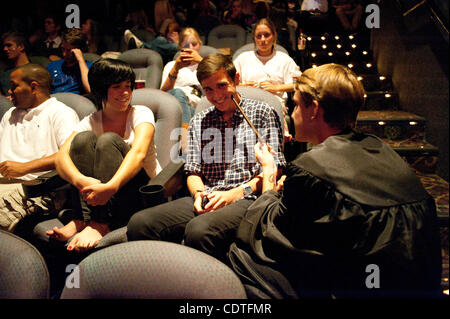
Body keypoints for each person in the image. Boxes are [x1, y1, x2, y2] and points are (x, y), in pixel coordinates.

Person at [228, 63, 442, 298]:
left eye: (297, 104)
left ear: (314, 110)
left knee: (241, 254)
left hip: (361, 287)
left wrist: (268, 172)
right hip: (421, 283)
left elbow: (273, 230)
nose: (292, 113)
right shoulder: (381, 148)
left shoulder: (309, 169)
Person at [127, 53, 286, 261]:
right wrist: (199, 195)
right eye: (208, 89)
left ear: (236, 80)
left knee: (199, 230)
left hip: (247, 197)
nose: (216, 95)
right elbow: (192, 171)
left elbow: (275, 169)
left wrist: (235, 194)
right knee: (140, 223)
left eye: (221, 86)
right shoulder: (200, 120)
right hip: (209, 195)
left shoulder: (263, 112)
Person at [45, 58, 160, 252]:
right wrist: (80, 180)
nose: (125, 93)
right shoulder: (90, 120)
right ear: (101, 89)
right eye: (117, 87)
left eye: (128, 86)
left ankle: (99, 223)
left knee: (107, 140)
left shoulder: (141, 113)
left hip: (138, 190)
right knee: (82, 140)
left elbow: (138, 154)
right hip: (98, 194)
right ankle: (82, 219)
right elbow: (61, 157)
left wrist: (111, 186)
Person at [0, 64, 79, 232]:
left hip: (37, 188)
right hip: (4, 182)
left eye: (14, 86)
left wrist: (25, 167)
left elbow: (70, 156)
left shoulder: (61, 113)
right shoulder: (10, 114)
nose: (9, 91)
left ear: (33, 87)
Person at [233, 18, 301, 141]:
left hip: (274, 102)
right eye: (259, 36)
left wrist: (276, 88)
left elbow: (298, 84)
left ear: (274, 36)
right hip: (246, 102)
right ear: (254, 38)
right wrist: (244, 86)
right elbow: (228, 81)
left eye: (267, 35)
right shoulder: (243, 58)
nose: (263, 40)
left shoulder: (284, 59)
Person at [159, 27, 204, 150]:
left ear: (200, 44)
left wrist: (202, 62)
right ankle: (186, 144)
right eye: (186, 45)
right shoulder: (171, 65)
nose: (190, 48)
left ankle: (184, 145)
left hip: (199, 105)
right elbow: (163, 94)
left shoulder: (206, 64)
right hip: (176, 105)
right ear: (180, 47)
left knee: (189, 108)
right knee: (178, 93)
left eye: (194, 44)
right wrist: (176, 69)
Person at [46, 28, 93, 95]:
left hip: (76, 103)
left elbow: (90, 89)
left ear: (80, 50)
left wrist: (80, 60)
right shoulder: (52, 65)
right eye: (63, 49)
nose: (64, 54)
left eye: (69, 51)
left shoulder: (89, 67)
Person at [0, 32, 31, 96]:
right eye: (4, 46)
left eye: (9, 45)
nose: (5, 49)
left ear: (21, 47)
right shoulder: (4, 72)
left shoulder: (34, 69)